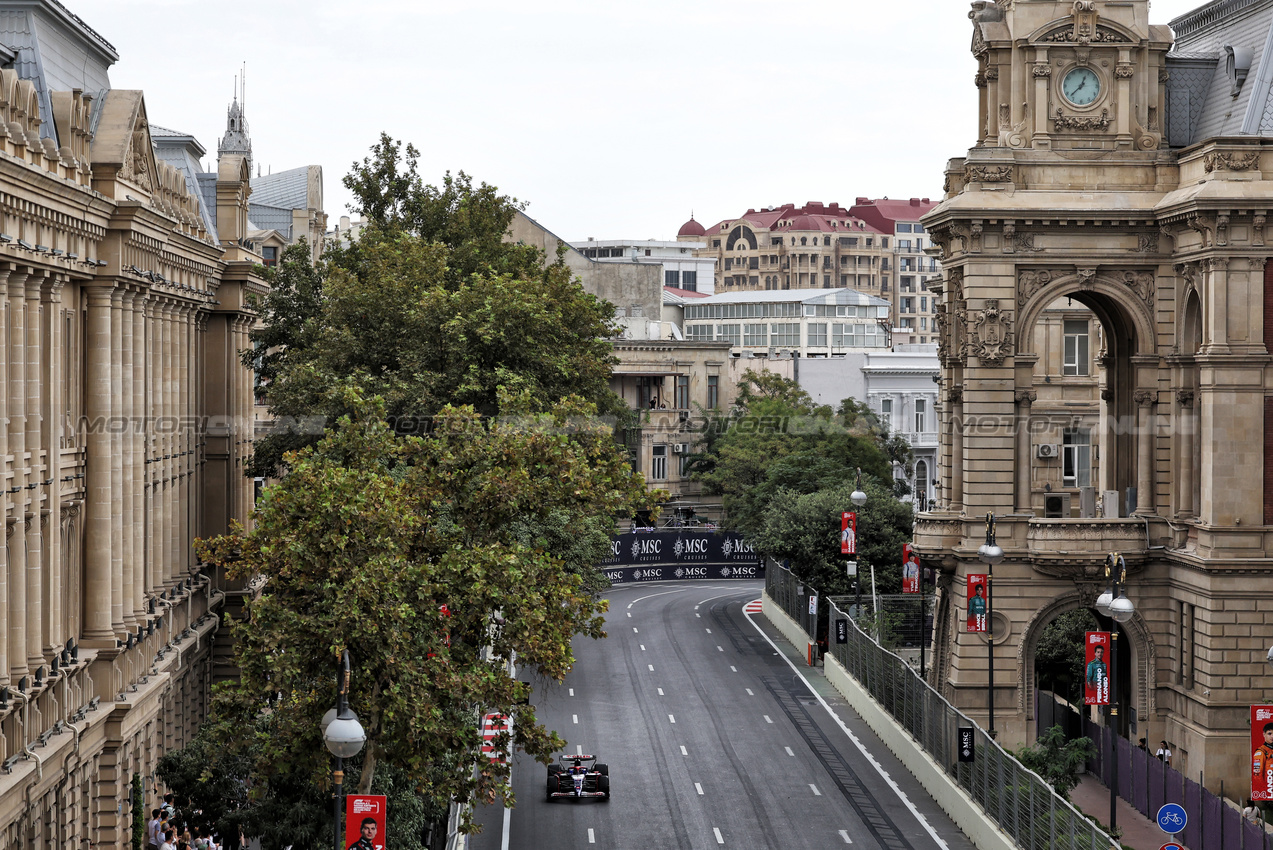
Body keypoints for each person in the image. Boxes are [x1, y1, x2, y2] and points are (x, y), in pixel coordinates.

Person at [1254, 722, 1273, 797]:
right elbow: (1257, 775)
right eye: (1269, 733)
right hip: (1268, 789)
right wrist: (1263, 790)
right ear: (1264, 734)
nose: (1272, 736)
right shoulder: (1261, 752)